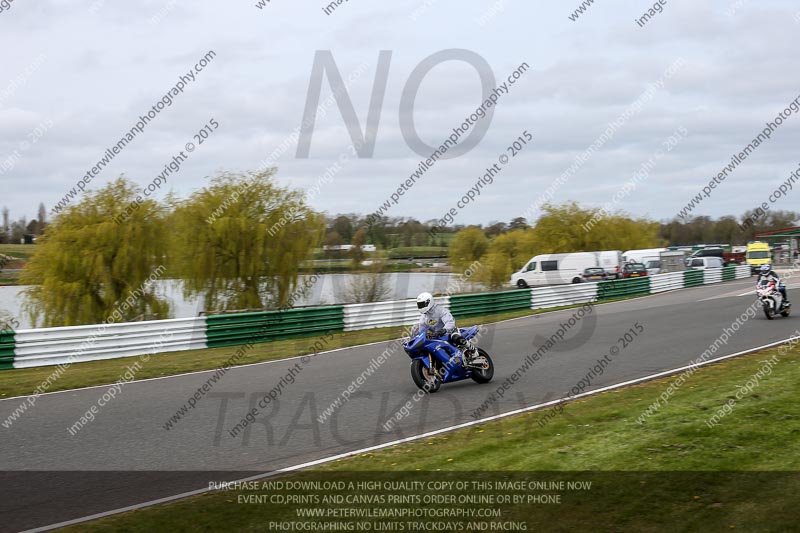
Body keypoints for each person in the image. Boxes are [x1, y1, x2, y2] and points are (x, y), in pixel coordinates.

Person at [411, 292, 474, 364]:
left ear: (429, 302)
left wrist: (444, 330)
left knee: (455, 337)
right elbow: (421, 330)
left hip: (449, 332)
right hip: (436, 337)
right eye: (419, 305)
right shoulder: (424, 317)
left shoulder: (440, 310)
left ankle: (472, 350)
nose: (421, 307)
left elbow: (450, 322)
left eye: (422, 304)